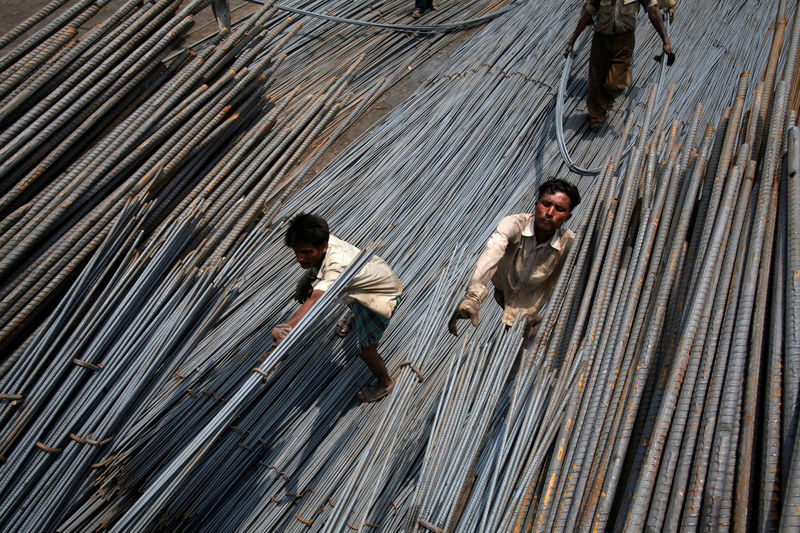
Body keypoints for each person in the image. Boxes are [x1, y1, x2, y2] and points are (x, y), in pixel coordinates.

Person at [272, 214, 403, 402]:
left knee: (366, 351)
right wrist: (306, 280)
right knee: (350, 294)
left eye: (306, 252)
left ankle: (386, 383)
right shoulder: (324, 240)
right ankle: (354, 314)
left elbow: (315, 300)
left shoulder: (337, 266)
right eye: (296, 252)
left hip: (382, 295)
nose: (300, 258)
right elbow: (319, 269)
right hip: (370, 275)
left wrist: (289, 327)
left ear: (323, 247)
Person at [448, 178, 580, 339]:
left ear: (568, 217)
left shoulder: (570, 244)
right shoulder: (514, 224)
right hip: (502, 291)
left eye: (559, 209)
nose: (550, 212)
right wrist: (473, 298)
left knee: (526, 352)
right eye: (546, 204)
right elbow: (493, 252)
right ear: (536, 204)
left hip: (530, 312)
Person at [565, 0, 675, 131]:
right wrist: (572, 41)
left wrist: (665, 40)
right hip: (601, 39)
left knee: (616, 84)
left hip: (624, 41)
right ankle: (596, 116)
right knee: (595, 80)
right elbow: (588, 13)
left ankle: (608, 95)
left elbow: (653, 12)